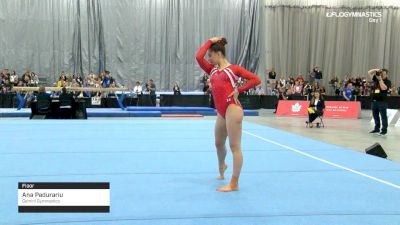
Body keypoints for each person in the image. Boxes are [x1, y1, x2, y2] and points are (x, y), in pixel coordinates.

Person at [196, 36, 261, 192]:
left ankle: (234, 183)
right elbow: (198, 57)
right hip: (221, 111)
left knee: (234, 146)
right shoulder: (212, 70)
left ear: (219, 53)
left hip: (233, 108)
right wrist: (210, 41)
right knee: (218, 143)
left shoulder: (234, 69)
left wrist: (239, 90)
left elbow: (256, 79)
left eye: (210, 55)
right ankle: (222, 165)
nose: (208, 59)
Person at [368, 68, 392, 135]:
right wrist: (376, 70)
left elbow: (383, 88)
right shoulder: (376, 79)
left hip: (382, 101)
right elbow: (369, 72)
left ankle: (384, 130)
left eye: (383, 74)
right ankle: (376, 129)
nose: (381, 75)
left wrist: (380, 79)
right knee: (375, 116)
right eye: (381, 73)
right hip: (374, 101)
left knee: (383, 116)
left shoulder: (388, 81)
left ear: (386, 74)